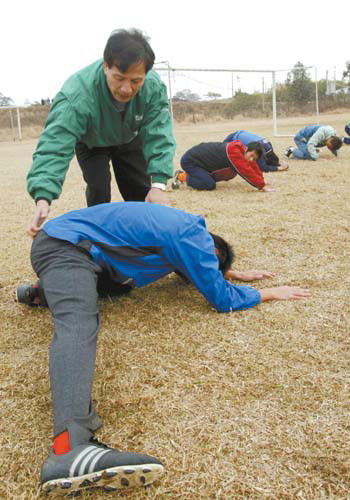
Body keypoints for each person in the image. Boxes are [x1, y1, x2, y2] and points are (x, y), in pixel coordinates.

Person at [17, 202, 310, 496]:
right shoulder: (192, 234)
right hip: (67, 250)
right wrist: (269, 293)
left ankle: (39, 293)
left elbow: (188, 265)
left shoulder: (177, 231)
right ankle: (70, 446)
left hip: (75, 248)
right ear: (214, 252)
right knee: (78, 321)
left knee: (123, 287)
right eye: (204, 266)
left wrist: (228, 273)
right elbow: (222, 300)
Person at [26, 28, 176, 237]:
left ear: (146, 74)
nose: (126, 89)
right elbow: (55, 145)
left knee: (141, 193)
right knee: (98, 190)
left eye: (135, 81)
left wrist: (159, 184)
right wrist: (43, 196)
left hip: (129, 137)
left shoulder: (152, 87)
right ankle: (99, 240)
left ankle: (146, 240)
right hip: (92, 142)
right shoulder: (77, 94)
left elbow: (159, 132)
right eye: (119, 78)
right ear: (106, 66)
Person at [172, 140, 275, 192]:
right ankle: (182, 176)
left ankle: (201, 176)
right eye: (251, 155)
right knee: (209, 185)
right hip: (190, 161)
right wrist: (261, 186)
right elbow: (245, 171)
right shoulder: (234, 152)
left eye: (255, 158)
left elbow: (253, 166)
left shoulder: (242, 151)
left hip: (203, 163)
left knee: (230, 172)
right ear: (246, 149)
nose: (252, 159)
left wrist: (262, 180)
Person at [223, 130, 289, 172]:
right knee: (223, 156)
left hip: (241, 133)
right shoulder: (259, 151)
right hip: (232, 138)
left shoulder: (269, 146)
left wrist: (279, 163)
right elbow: (263, 167)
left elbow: (271, 159)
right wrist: (279, 168)